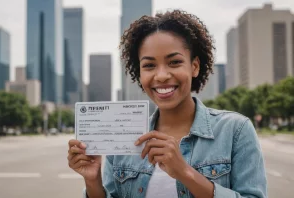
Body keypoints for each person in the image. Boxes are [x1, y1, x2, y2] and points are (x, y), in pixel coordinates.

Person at [67, 9, 267, 198]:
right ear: (139, 73)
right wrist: (93, 182)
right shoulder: (124, 135)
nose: (161, 75)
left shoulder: (235, 130)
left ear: (194, 66)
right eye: (149, 65)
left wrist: (185, 173)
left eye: (174, 62)